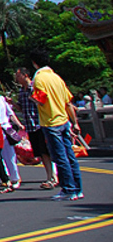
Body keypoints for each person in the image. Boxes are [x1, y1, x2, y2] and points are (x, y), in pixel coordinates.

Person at [31, 49, 83, 200]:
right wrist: (75, 122)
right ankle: (78, 188)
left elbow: (40, 99)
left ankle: (68, 189)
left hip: (50, 121)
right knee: (70, 155)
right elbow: (68, 102)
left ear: (35, 63)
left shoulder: (39, 78)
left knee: (60, 157)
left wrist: (32, 97)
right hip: (63, 120)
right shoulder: (57, 78)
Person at [14, 66, 56, 188]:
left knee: (48, 151)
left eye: (18, 75)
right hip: (30, 125)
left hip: (40, 124)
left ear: (25, 75)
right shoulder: (22, 90)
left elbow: (43, 102)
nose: (17, 78)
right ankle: (50, 176)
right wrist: (13, 104)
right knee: (42, 153)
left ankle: (54, 177)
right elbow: (22, 108)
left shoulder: (35, 87)